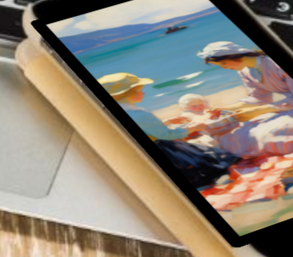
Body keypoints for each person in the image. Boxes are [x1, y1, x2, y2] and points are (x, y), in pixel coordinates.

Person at [198, 39, 293, 155]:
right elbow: (259, 98)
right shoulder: (245, 70)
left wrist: (259, 111)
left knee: (266, 134)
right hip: (292, 105)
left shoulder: (274, 63)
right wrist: (224, 108)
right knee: (247, 131)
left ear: (235, 55)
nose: (225, 68)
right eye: (221, 66)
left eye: (224, 63)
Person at [98, 69, 239, 183]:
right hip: (163, 149)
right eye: (139, 91)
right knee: (212, 163)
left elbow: (144, 128)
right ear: (128, 94)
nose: (143, 93)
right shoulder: (139, 114)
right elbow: (167, 135)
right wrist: (193, 127)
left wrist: (168, 121)